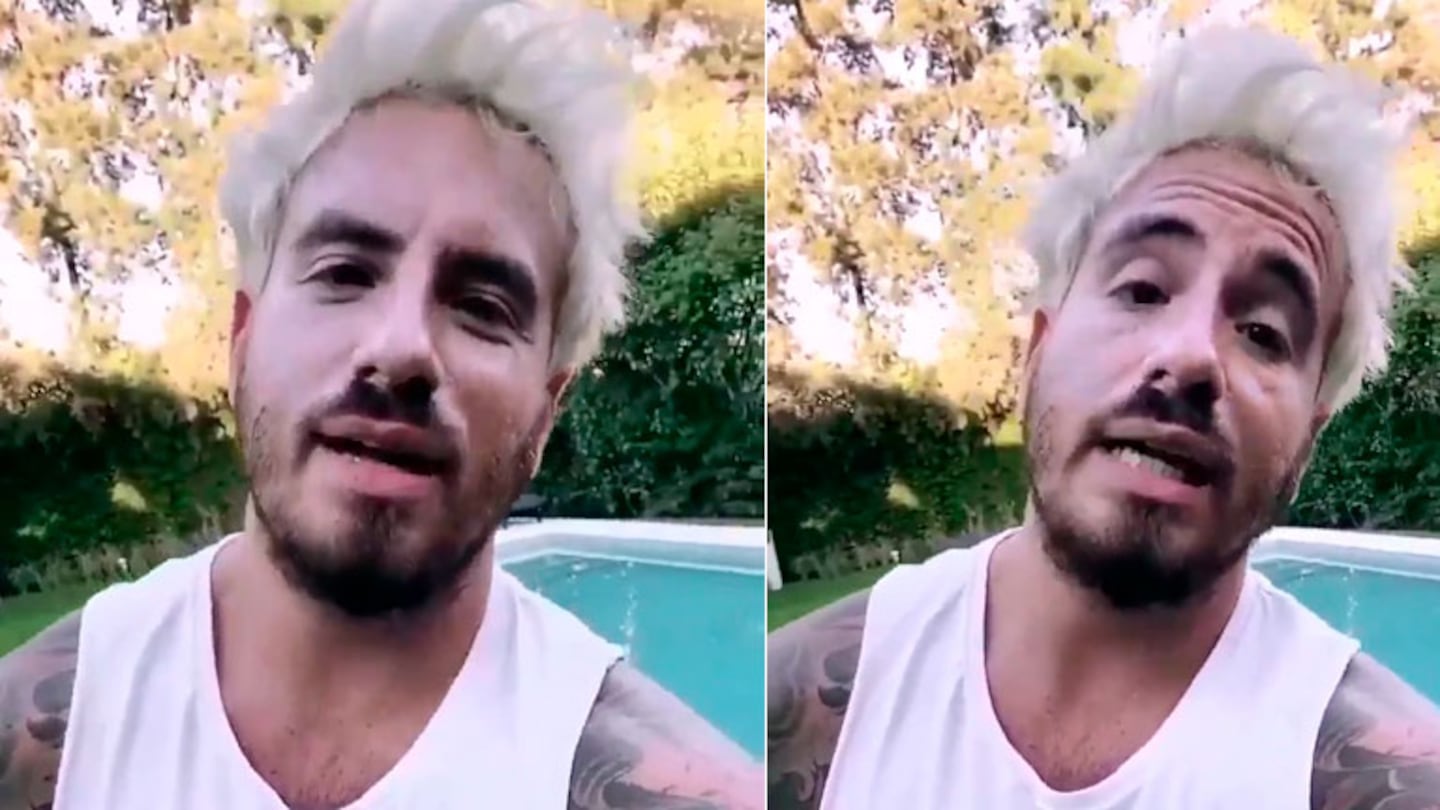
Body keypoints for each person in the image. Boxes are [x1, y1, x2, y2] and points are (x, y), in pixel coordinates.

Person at [0, 0, 761, 807]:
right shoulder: (40, 742)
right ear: (242, 339)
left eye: (482, 307)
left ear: (546, 411)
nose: (401, 349)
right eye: (344, 273)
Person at [768, 25, 1440, 810]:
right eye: (1143, 289)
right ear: (1039, 350)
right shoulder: (807, 711)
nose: (1191, 355)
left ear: (1311, 435)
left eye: (1264, 333)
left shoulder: (1381, 779)